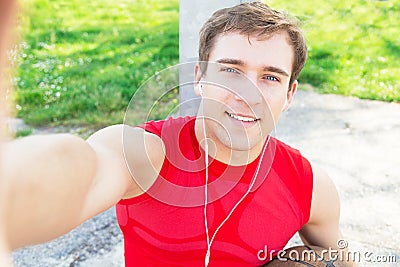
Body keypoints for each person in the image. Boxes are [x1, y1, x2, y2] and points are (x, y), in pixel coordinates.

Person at [0, 1, 350, 266]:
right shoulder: (148, 153)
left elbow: (340, 257)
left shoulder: (308, 185)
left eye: (271, 77)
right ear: (199, 78)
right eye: (230, 71)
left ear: (290, 94)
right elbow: (83, 172)